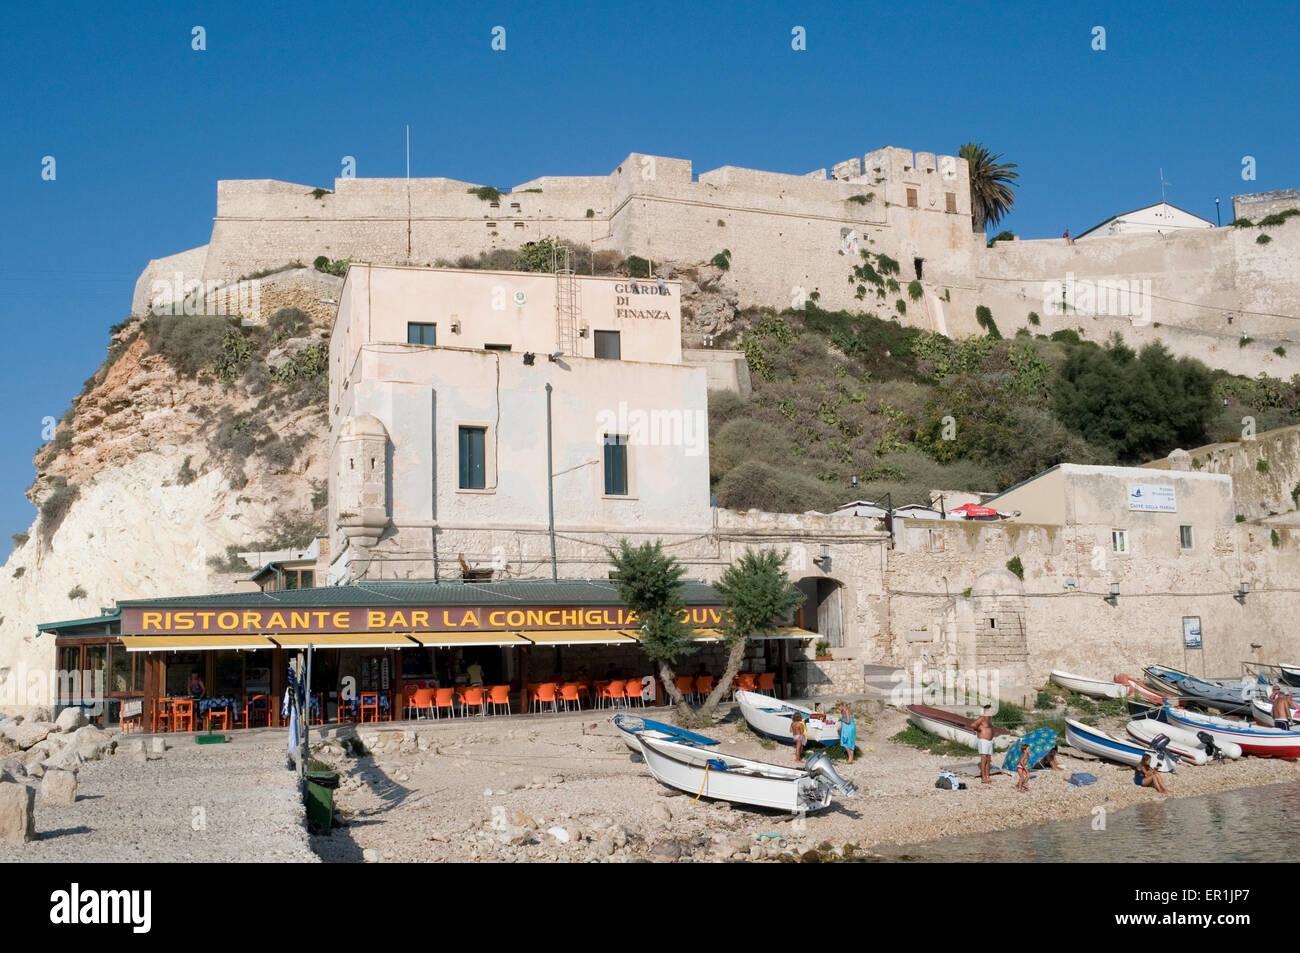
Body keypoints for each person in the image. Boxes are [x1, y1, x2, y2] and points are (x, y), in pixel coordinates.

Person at [969, 704, 996, 784]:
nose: (992, 712)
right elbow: (973, 725)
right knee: (984, 758)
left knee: (988, 759)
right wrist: (978, 730)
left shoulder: (989, 720)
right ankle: (983, 777)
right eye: (991, 710)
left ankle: (988, 776)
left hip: (989, 741)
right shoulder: (982, 718)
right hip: (983, 740)